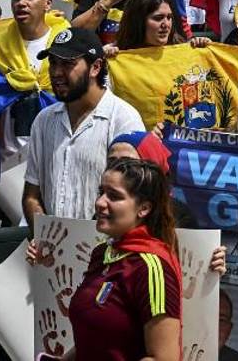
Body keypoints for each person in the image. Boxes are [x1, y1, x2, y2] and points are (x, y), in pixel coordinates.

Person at [65, 158, 184, 361]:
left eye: (114, 196)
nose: (100, 202)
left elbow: (164, 358)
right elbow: (97, 339)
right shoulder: (101, 254)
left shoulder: (151, 268)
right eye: (101, 192)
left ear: (143, 208)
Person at [22, 27, 144, 223]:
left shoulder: (124, 119)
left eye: (67, 64)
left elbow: (133, 199)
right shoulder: (43, 120)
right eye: (53, 63)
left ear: (95, 67)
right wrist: (45, 236)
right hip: (52, 250)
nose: (56, 73)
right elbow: (32, 195)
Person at [114, 0, 186, 51]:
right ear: (137, 22)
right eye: (158, 18)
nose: (166, 24)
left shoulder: (183, 51)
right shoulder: (116, 54)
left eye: (169, 17)